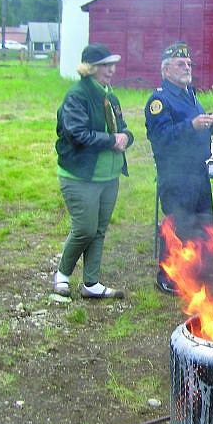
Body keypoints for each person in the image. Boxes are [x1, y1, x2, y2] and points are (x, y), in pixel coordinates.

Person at [53, 43, 133, 299]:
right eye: (105, 65)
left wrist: (126, 137)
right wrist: (112, 140)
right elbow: (77, 134)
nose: (111, 70)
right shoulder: (77, 95)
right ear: (90, 68)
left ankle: (91, 283)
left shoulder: (111, 96)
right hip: (80, 176)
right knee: (84, 229)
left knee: (99, 229)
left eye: (112, 65)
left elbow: (122, 128)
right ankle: (63, 275)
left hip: (109, 176)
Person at [145, 41, 213, 295]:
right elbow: (162, 139)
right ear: (166, 70)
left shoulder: (189, 94)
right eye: (180, 64)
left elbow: (195, 127)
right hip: (176, 174)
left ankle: (199, 269)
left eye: (188, 63)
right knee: (177, 225)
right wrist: (191, 125)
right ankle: (166, 276)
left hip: (198, 171)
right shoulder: (159, 100)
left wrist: (210, 122)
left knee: (202, 222)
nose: (186, 68)